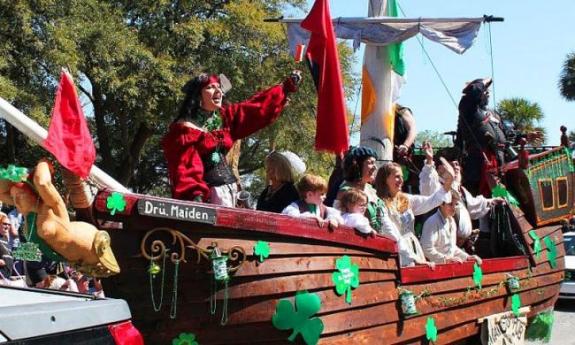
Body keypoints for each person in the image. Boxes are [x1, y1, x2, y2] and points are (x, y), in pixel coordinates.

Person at [162, 71, 302, 207]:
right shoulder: (185, 128)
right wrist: (195, 199)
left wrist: (285, 88)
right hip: (207, 196)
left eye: (219, 87)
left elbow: (254, 109)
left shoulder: (225, 117)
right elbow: (185, 169)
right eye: (210, 87)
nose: (218, 91)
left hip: (230, 191)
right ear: (198, 95)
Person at [0, 160, 119, 277]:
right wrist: (14, 176)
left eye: (19, 196)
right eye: (13, 197)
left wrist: (45, 162)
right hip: (79, 257)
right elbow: (3, 193)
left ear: (34, 194)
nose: (16, 201)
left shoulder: (51, 208)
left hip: (96, 250)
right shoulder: (28, 214)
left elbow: (42, 182)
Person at [419, 141, 502, 249]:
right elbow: (427, 184)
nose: (456, 167)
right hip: (438, 250)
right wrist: (430, 161)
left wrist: (494, 201)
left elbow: (474, 205)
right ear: (439, 170)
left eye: (457, 164)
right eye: (451, 165)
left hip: (459, 249)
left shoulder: (461, 191)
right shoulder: (436, 188)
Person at [375, 162, 453, 267]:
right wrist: (412, 257)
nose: (401, 180)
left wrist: (448, 183)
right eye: (397, 177)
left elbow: (430, 201)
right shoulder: (380, 203)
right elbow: (392, 234)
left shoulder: (405, 199)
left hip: (413, 248)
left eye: (402, 177)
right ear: (385, 179)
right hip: (397, 251)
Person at [421, 192, 482, 264]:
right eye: (450, 204)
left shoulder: (452, 221)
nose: (454, 208)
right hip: (434, 269)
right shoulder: (432, 222)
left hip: (448, 268)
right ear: (441, 204)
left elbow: (452, 248)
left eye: (456, 204)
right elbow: (426, 249)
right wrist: (446, 259)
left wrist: (467, 257)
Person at [334, 146, 383, 230]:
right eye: (370, 163)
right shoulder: (345, 191)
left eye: (375, 163)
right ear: (357, 165)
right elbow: (338, 221)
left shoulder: (371, 190)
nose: (375, 167)